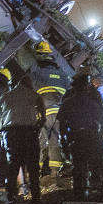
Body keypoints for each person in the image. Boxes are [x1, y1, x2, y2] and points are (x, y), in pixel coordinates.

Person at [0, 75, 45, 204]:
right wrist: (39, 124)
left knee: (12, 166)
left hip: (10, 134)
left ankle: (11, 197)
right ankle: (36, 198)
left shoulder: (4, 97)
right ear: (28, 84)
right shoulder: (33, 94)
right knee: (33, 166)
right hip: (29, 133)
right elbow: (42, 111)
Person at [57, 73, 103, 198]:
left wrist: (64, 141)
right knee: (98, 163)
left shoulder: (68, 102)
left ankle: (80, 191)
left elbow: (61, 124)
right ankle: (102, 189)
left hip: (76, 136)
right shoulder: (94, 100)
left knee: (79, 165)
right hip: (91, 136)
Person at [31, 41, 70, 176]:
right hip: (59, 113)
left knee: (41, 141)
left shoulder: (36, 71)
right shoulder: (62, 72)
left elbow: (30, 91)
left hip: (44, 113)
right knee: (55, 140)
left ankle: (37, 172)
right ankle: (55, 172)